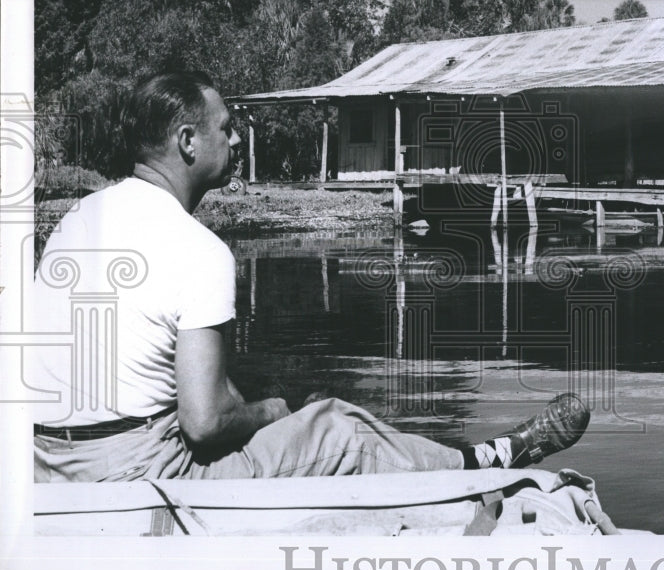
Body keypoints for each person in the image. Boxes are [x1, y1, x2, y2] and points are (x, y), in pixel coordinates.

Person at [32, 71, 589, 482]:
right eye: (225, 129)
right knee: (336, 427)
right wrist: (274, 411)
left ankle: (463, 458)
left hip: (44, 461)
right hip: (141, 473)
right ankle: (481, 463)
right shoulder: (196, 248)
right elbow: (201, 424)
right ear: (186, 142)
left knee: (295, 416)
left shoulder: (78, 219)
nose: (236, 141)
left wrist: (253, 413)